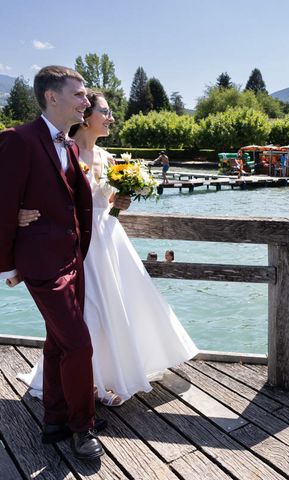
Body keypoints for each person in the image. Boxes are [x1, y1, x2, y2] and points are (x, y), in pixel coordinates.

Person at [16, 91, 198, 416]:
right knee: (87, 314)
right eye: (106, 111)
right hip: (78, 246)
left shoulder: (110, 159)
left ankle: (111, 375)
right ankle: (91, 384)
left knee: (116, 308)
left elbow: (110, 206)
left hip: (110, 242)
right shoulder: (62, 153)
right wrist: (20, 215)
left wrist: (121, 204)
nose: (111, 117)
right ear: (86, 117)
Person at [0, 66, 106, 460]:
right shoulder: (18, 140)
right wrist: (7, 265)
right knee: (79, 343)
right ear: (52, 97)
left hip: (72, 258)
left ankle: (55, 419)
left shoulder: (72, 146)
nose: (86, 101)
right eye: (79, 94)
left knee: (57, 342)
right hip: (41, 263)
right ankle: (84, 426)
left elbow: (72, 201)